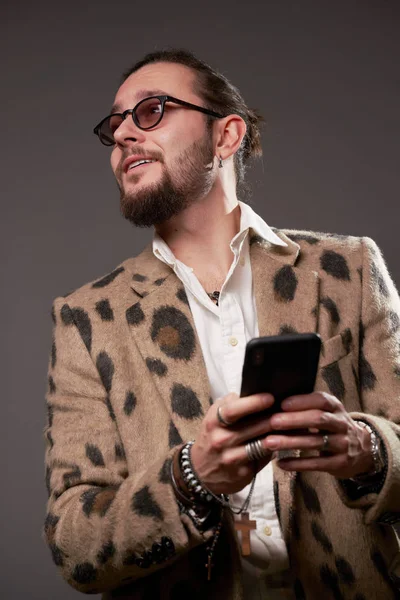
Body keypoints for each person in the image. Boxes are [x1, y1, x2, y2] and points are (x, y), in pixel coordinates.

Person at [43, 48, 400, 600]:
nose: (123, 136)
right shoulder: (88, 319)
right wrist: (191, 477)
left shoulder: (347, 270)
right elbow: (75, 545)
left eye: (152, 110)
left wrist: (366, 451)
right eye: (115, 124)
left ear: (227, 136)